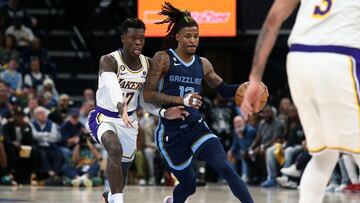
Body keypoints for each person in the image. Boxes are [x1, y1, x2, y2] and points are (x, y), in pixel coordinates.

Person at [240, 0, 360, 202]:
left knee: (324, 155)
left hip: (299, 60)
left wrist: (254, 78)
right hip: (340, 57)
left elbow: (272, 21)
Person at [143, 3, 253, 203]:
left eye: (196, 36)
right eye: (188, 36)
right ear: (178, 37)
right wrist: (181, 100)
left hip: (197, 127)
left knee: (226, 168)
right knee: (189, 185)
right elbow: (148, 94)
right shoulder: (164, 58)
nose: (193, 40)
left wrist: (246, 87)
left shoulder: (203, 64)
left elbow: (223, 89)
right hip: (171, 132)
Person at [87, 18, 188, 203]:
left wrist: (164, 113)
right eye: (133, 38)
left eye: (142, 38)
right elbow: (113, 88)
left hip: (130, 121)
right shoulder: (109, 61)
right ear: (123, 38)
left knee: (123, 168)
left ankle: (110, 198)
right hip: (104, 117)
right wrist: (120, 107)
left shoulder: (148, 64)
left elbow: (146, 100)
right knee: (114, 149)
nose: (138, 42)